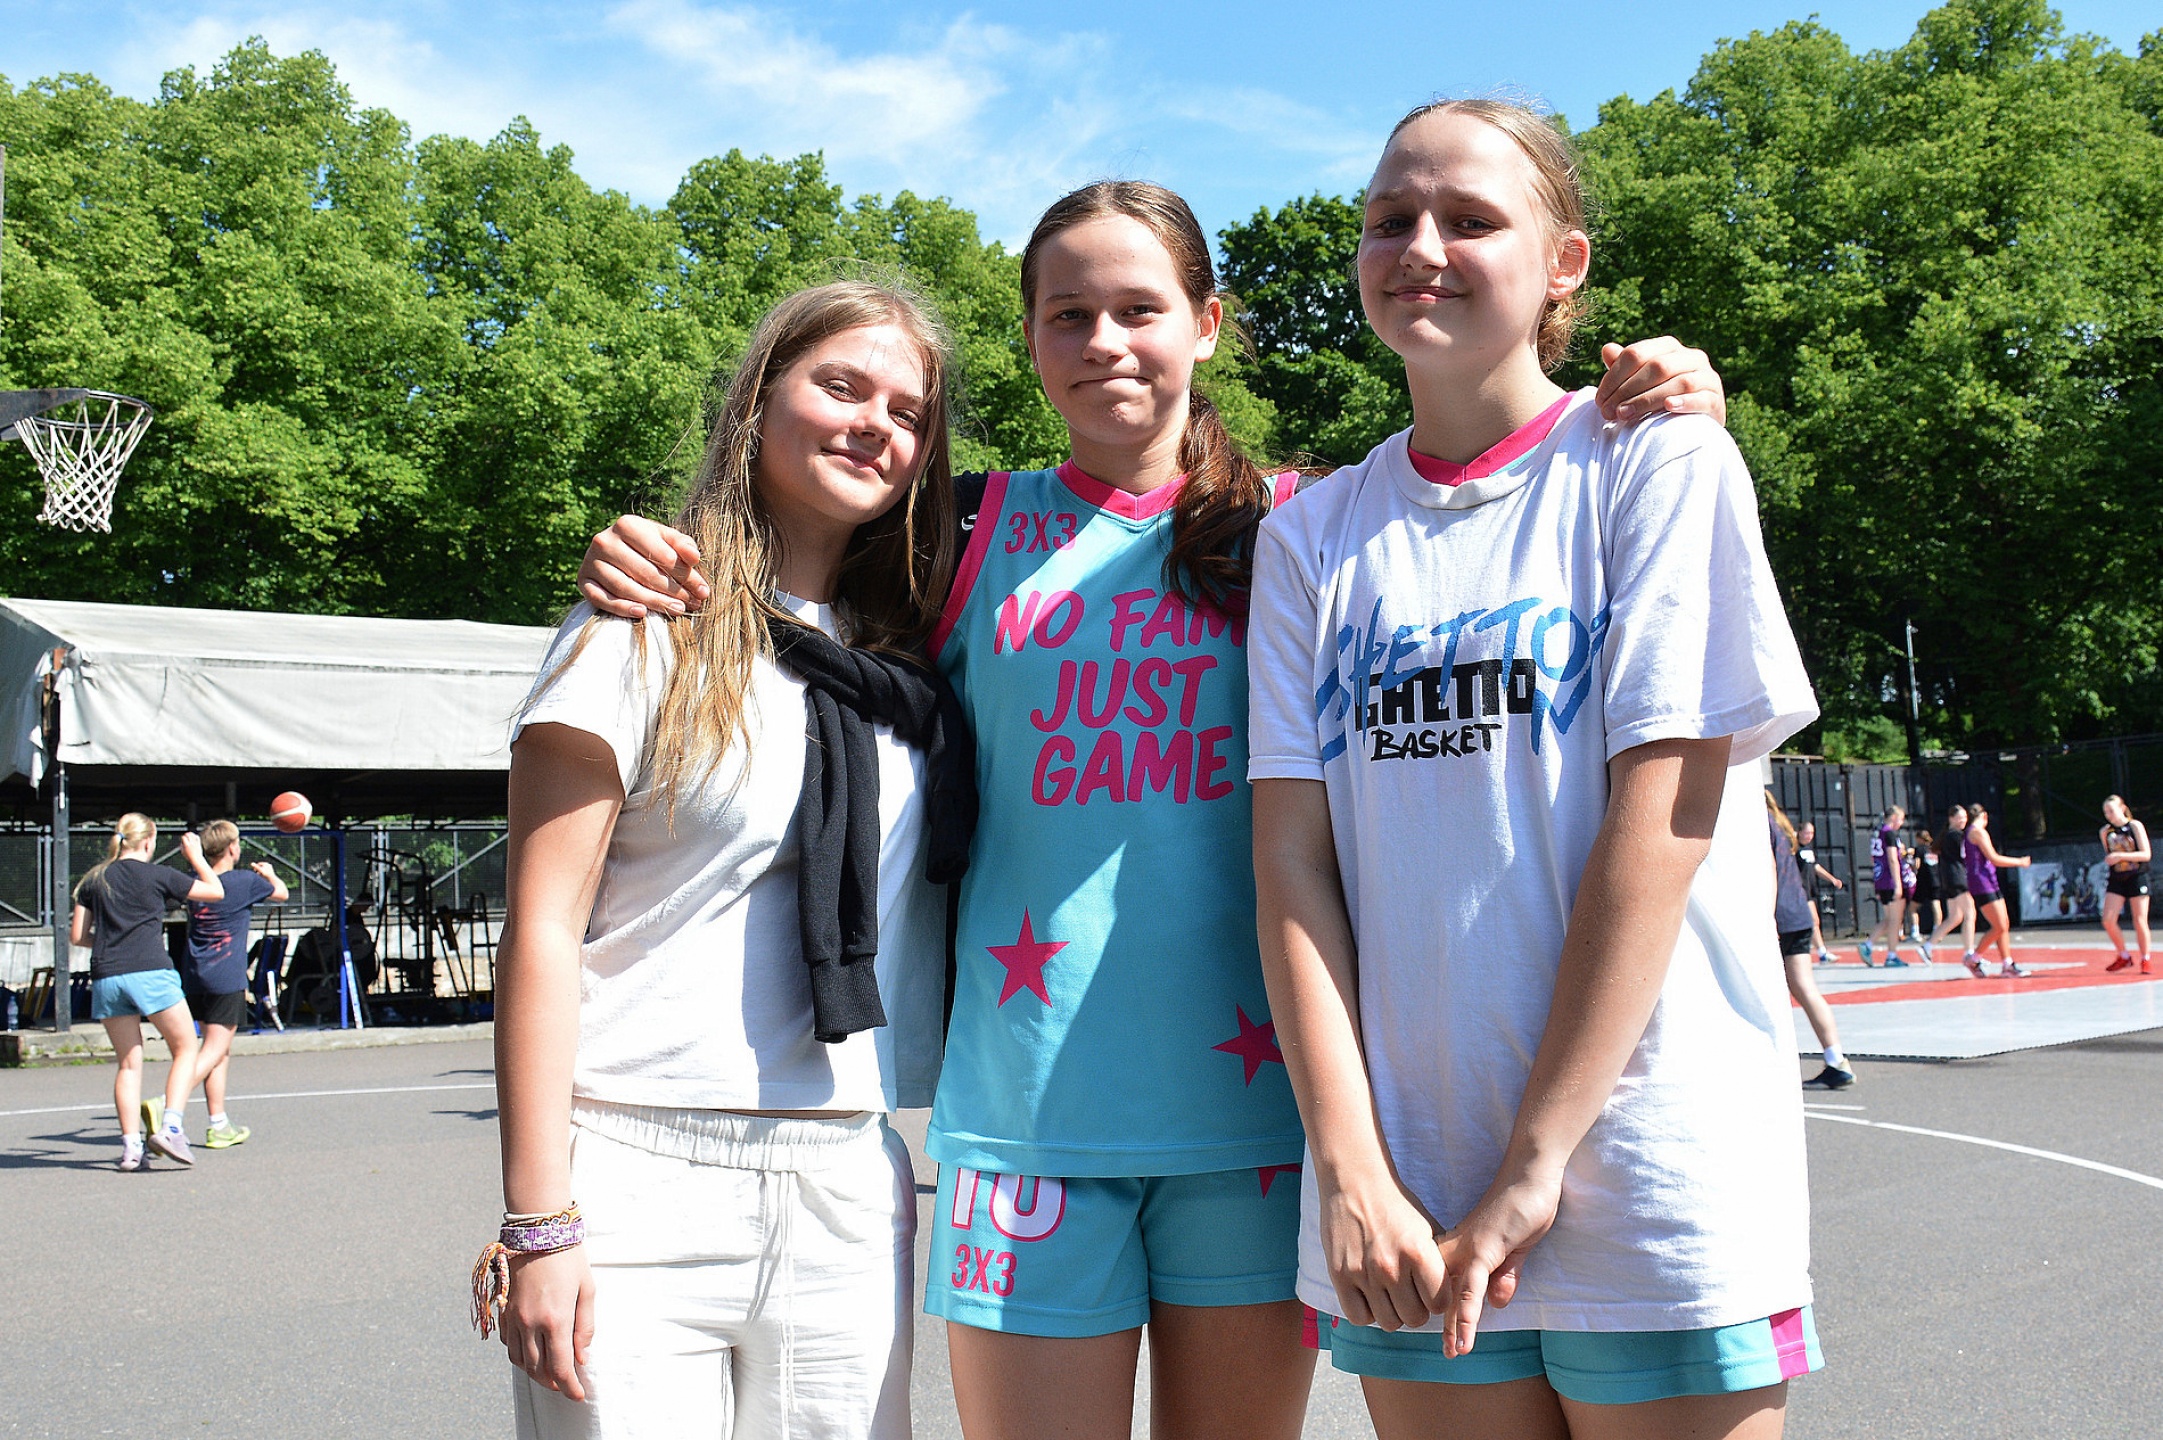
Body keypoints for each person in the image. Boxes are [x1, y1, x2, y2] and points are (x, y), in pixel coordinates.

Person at [576, 186, 1730, 1437]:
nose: (1105, 342)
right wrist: (648, 549)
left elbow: (1485, 512)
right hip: (1026, 1125)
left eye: (1140, 309)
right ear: (1030, 339)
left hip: (1260, 1125)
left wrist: (1672, 397)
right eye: (1068, 315)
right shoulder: (959, 531)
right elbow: (781, 570)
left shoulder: (1313, 527)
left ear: (1207, 324)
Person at [1248, 99, 1820, 1439]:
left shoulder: (1657, 460)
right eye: (1389, 219)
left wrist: (1536, 1160)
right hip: (1409, 1198)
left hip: (1644, 1172)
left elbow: (1664, 823)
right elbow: (1291, 865)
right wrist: (1349, 1166)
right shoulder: (1310, 538)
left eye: (1470, 219)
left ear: (1563, 264)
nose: (1419, 247)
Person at [493, 279, 966, 1439]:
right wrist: (539, 1223)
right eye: (841, 386)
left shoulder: (915, 660)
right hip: (634, 1167)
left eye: (907, 412)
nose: (875, 424)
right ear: (758, 402)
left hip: (848, 1175)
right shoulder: (639, 621)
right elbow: (542, 928)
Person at [70, 814, 221, 1170]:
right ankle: (171, 1128)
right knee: (186, 1048)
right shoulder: (157, 875)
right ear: (149, 841)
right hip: (150, 971)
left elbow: (77, 936)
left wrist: (110, 943)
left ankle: (131, 1149)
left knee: (128, 1063)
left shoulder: (93, 879)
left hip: (108, 975)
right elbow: (216, 891)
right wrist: (197, 857)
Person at [179, 819, 288, 1148]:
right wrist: (269, 874)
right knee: (214, 1049)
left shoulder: (193, 882)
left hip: (195, 975)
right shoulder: (244, 881)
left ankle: (218, 1124)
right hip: (226, 975)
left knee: (217, 1051)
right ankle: (167, 1102)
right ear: (232, 848)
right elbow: (282, 894)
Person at [1770, 798, 1854, 1089]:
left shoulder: (1755, 822)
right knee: (1804, 987)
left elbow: (1768, 872)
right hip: (1797, 914)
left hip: (1779, 917)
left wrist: (1767, 918)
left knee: (1762, 990)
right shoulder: (1779, 827)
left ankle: (1772, 1065)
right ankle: (1836, 1060)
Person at [1964, 803, 2031, 978]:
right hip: (1982, 882)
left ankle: (2007, 963)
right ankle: (1974, 958)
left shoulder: (1972, 832)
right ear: (1984, 816)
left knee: (2004, 924)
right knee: (1999, 926)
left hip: (1988, 881)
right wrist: (2019, 862)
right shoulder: (1978, 832)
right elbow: (1994, 858)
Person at [2099, 795, 2151, 974]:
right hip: (2117, 877)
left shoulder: (2134, 826)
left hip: (2137, 875)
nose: (2109, 815)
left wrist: (2121, 856)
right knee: (2108, 919)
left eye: (2111, 811)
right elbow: (2109, 853)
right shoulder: (2105, 831)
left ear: (2122, 808)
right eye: (2106, 812)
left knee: (2139, 919)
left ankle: (2145, 958)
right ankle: (2123, 955)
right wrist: (2112, 859)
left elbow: (2146, 854)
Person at [1927, 806, 1978, 969]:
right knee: (1970, 913)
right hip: (1957, 878)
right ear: (1951, 818)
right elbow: (1966, 856)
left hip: (1948, 879)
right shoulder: (1956, 836)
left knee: (1955, 916)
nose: (1963, 820)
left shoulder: (1946, 836)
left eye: (1965, 817)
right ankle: (1969, 952)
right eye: (1960, 817)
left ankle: (1927, 946)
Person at [1858, 805, 1907, 967]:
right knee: (1895, 920)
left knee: (1889, 919)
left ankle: (1868, 945)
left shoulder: (1877, 832)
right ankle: (1891, 955)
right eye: (1901, 819)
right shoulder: (1889, 833)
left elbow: (1874, 858)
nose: (1902, 823)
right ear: (1893, 818)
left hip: (1880, 879)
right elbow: (1892, 859)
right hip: (1890, 880)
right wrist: (1898, 884)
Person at [1795, 820, 1842, 965]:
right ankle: (1821, 952)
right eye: (1806, 833)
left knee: (1813, 921)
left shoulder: (1809, 849)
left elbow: (1815, 867)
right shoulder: (1794, 848)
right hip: (1799, 890)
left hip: (1809, 889)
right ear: (1799, 832)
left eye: (1812, 833)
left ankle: (1822, 953)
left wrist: (1832, 879)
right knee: (1813, 920)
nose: (1809, 836)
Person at [1909, 831, 1940, 959]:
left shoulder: (1920, 849)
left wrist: (1912, 867)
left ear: (1919, 839)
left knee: (1913, 908)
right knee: (1936, 905)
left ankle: (1915, 932)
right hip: (1936, 880)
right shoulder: (1934, 849)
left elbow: (1916, 864)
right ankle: (1937, 931)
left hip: (1923, 881)